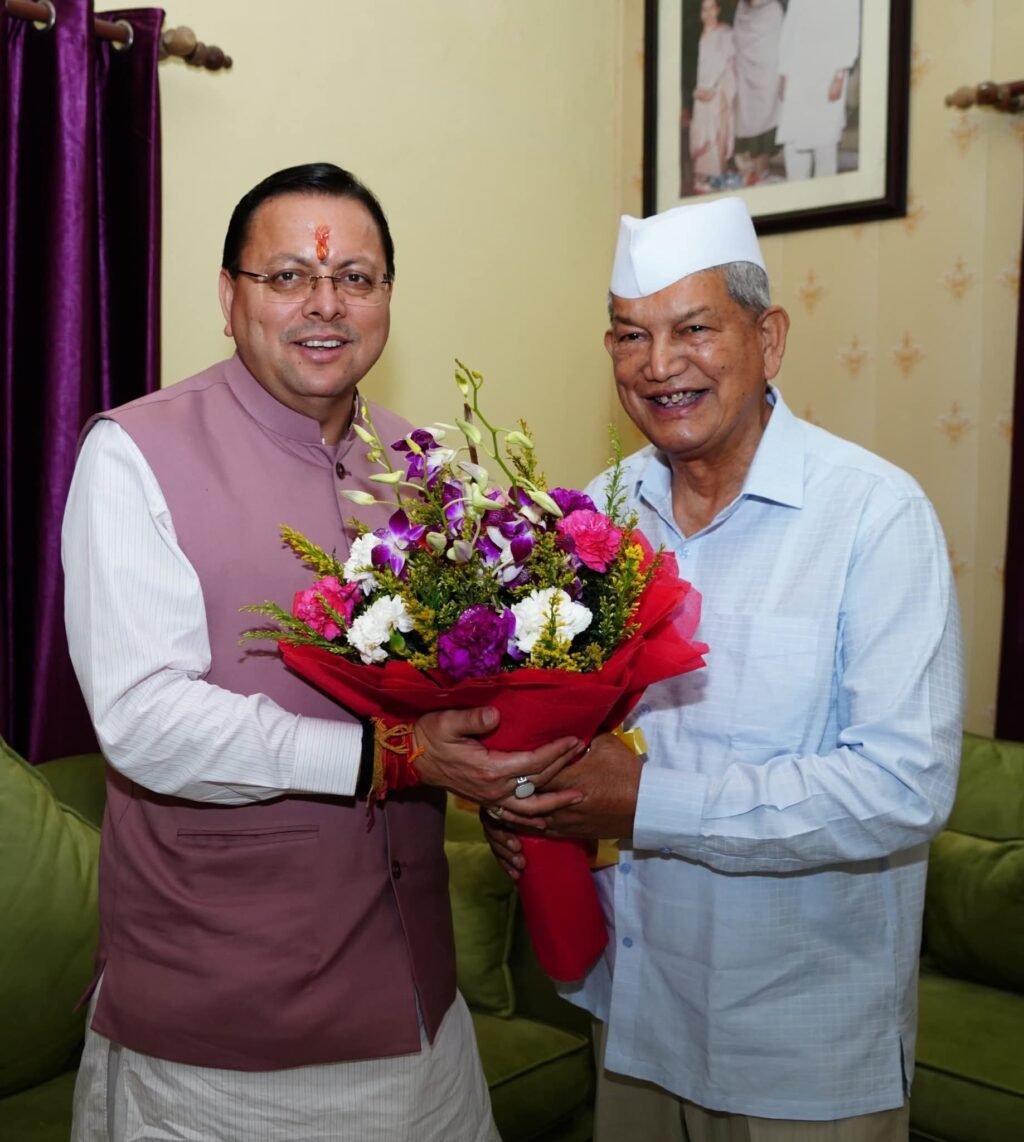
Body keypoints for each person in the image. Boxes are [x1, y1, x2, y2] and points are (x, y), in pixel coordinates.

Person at [61, 162, 582, 1142]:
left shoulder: (429, 473)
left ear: (387, 297)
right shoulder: (135, 455)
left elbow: (474, 689)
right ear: (229, 297)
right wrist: (394, 756)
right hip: (225, 1034)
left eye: (355, 278)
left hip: (423, 1013)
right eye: (288, 276)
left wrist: (510, 787)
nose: (325, 304)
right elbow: (145, 722)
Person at [486, 195, 964, 1141]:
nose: (659, 365)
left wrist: (645, 802)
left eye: (694, 329)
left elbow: (904, 787)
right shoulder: (598, 514)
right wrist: (538, 808)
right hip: (631, 1011)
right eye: (631, 336)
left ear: (769, 339)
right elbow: (578, 727)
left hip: (801, 1045)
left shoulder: (873, 515)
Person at [776, 0, 861, 180]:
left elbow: (849, 31)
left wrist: (839, 74)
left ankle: (824, 192)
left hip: (828, 74)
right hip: (798, 72)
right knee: (794, 139)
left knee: (825, 142)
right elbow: (790, 26)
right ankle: (796, 189)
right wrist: (783, 73)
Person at [732, 0, 784, 186]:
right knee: (747, 121)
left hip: (767, 77)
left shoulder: (773, 9)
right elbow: (736, 42)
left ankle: (762, 173)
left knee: (766, 123)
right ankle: (752, 175)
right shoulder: (741, 8)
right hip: (745, 78)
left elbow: (779, 46)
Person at [689, 0, 737, 192]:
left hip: (718, 92)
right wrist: (697, 90)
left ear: (718, 10)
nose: (708, 14)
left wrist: (714, 88)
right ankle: (701, 177)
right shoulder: (699, 35)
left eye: (712, 9)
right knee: (700, 131)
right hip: (701, 92)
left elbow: (728, 63)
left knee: (717, 131)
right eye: (704, 10)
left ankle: (716, 177)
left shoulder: (726, 33)